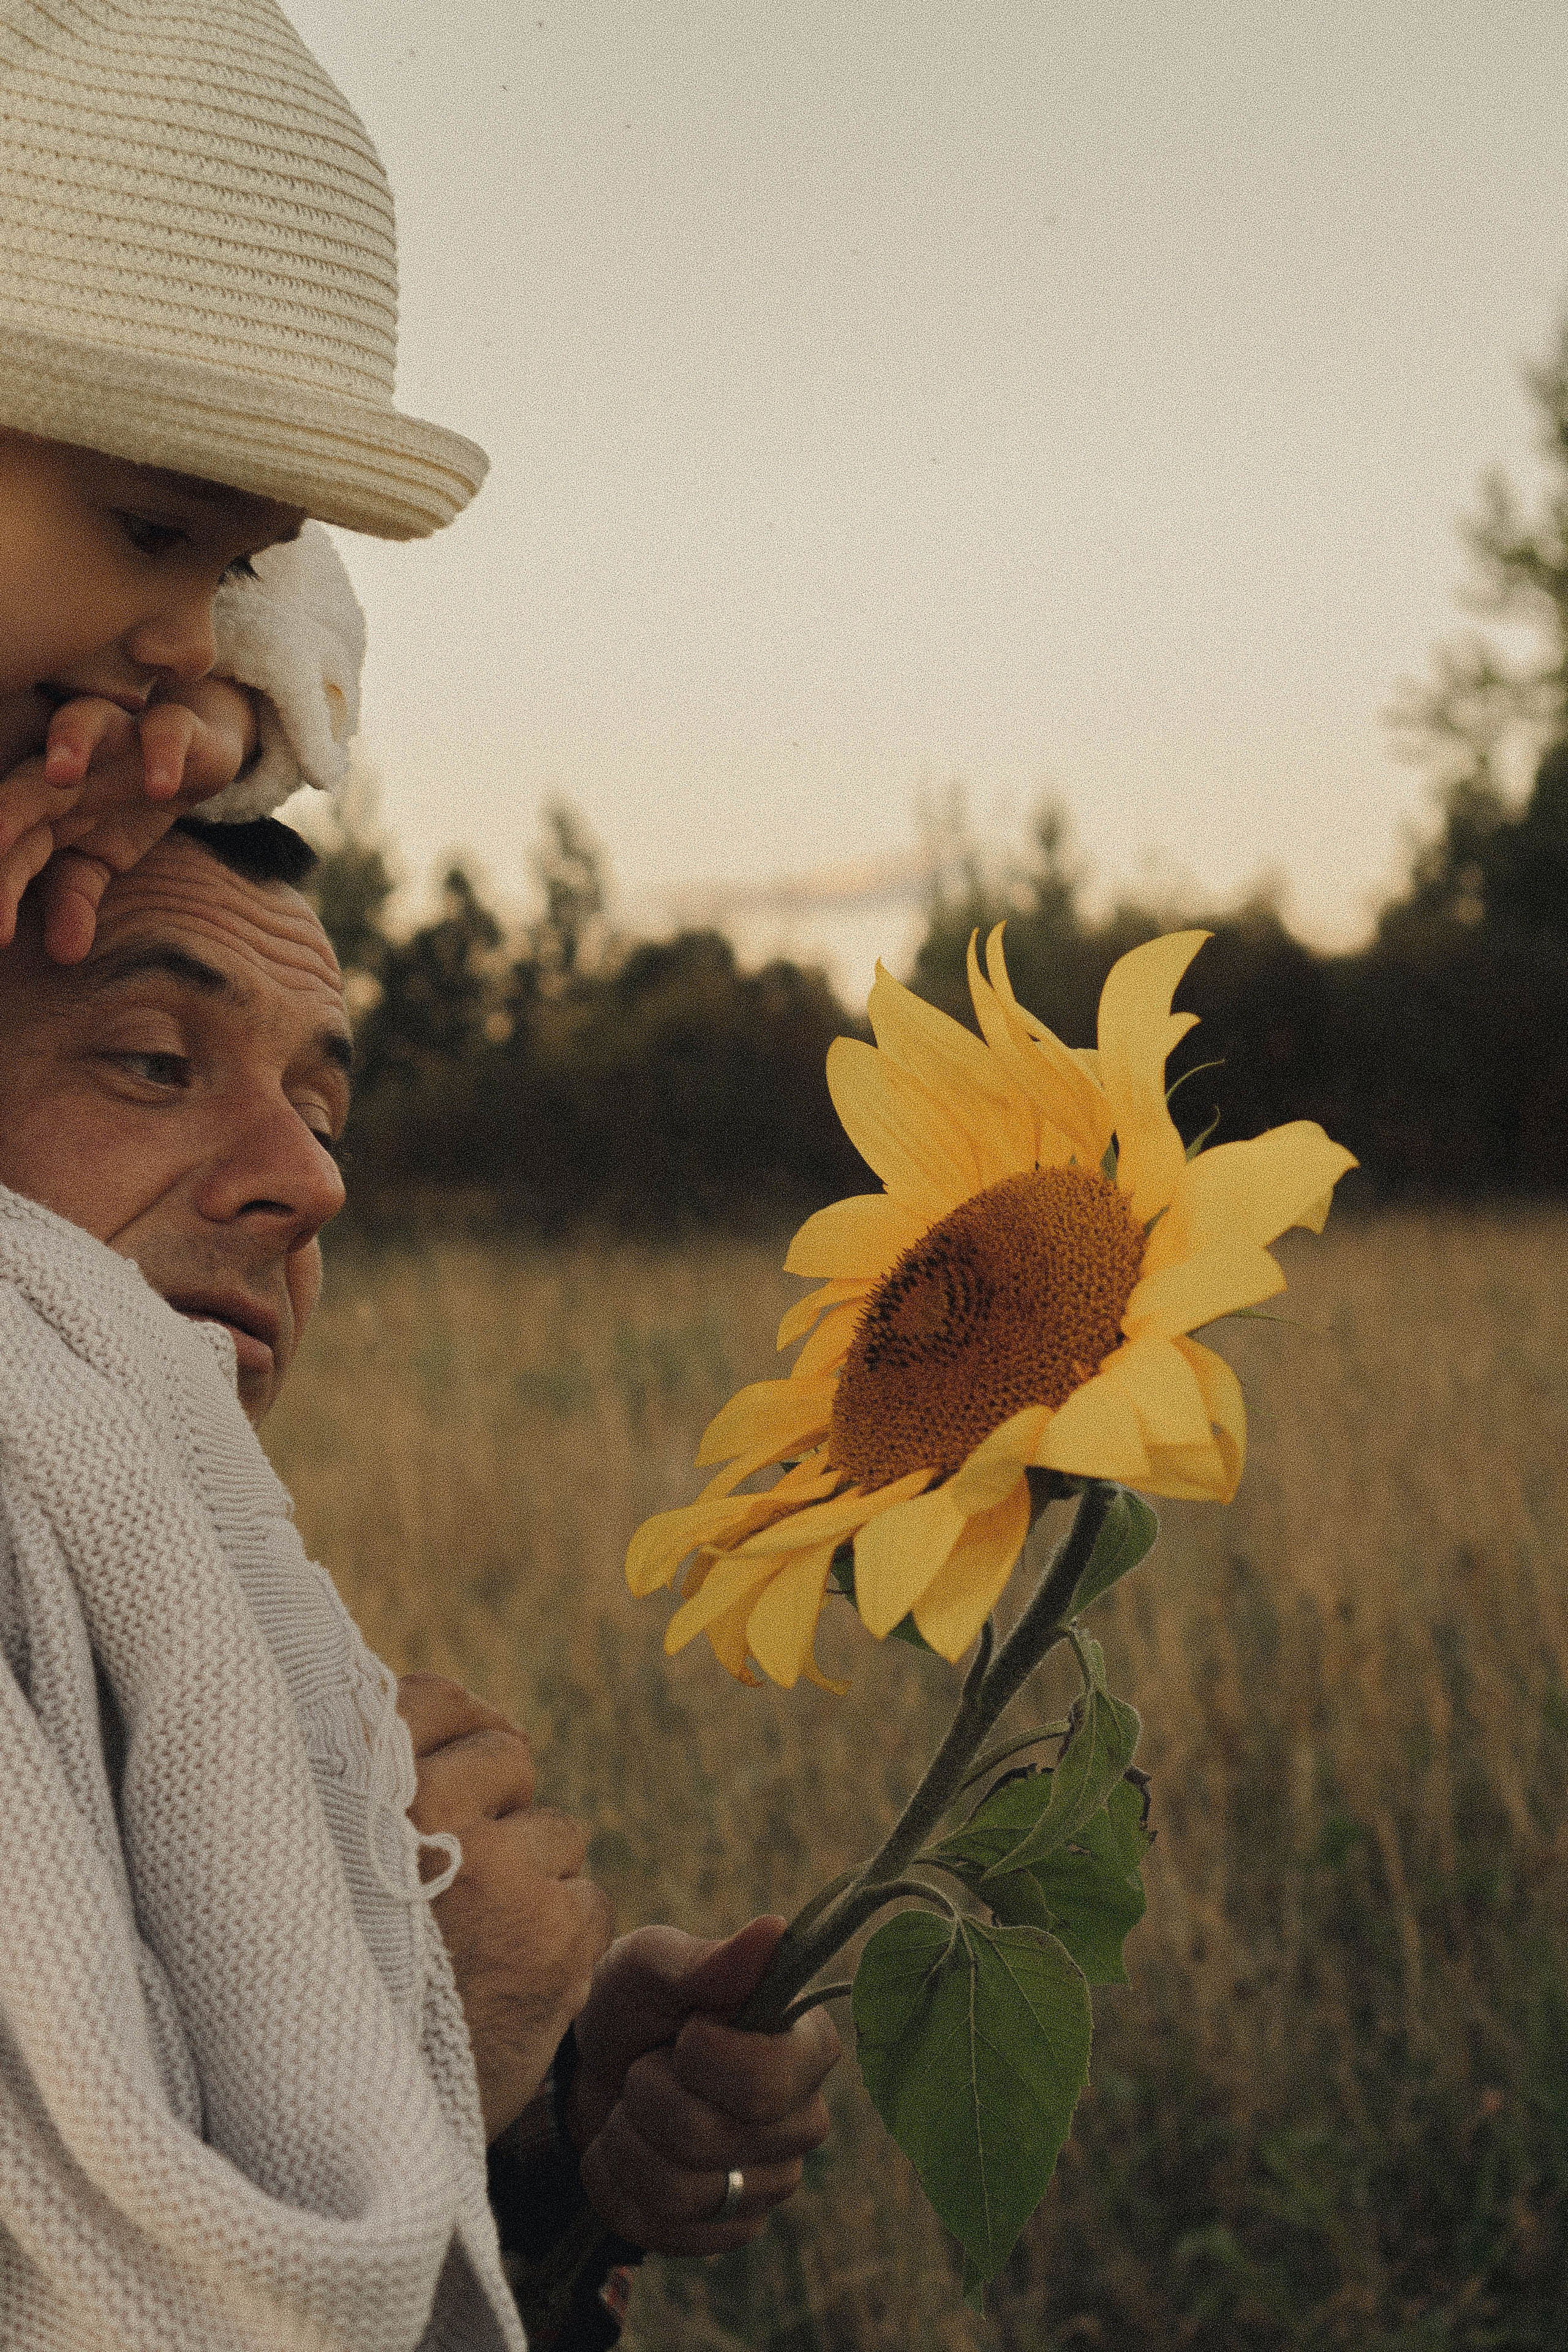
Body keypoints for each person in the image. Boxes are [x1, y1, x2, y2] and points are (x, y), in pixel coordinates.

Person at [0, 816, 840, 2349]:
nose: (306, 1183)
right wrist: (380, 2028)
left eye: (323, 1109)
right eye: (151, 1061)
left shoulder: (239, 1678)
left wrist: (536, 2150)